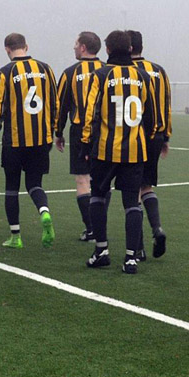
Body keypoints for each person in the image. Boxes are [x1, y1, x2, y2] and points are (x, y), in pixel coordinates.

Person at [81, 30, 156, 274]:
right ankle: (131, 258)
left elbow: (89, 113)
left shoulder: (100, 75)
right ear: (131, 49)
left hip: (105, 150)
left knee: (98, 196)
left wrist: (86, 143)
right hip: (135, 150)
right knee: (132, 203)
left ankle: (101, 251)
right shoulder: (144, 76)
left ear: (108, 50)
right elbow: (152, 117)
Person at [0, 33, 58, 249]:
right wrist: (52, 132)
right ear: (26, 46)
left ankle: (16, 237)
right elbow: (55, 102)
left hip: (15, 141)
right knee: (35, 184)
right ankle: (44, 212)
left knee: (12, 187)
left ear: (7, 49)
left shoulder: (5, 72)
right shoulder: (46, 69)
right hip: (41, 139)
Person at [54, 31, 104, 242]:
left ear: (83, 47)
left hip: (79, 131)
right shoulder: (108, 70)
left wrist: (58, 132)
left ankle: (91, 229)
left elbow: (60, 107)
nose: (73, 47)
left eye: (76, 43)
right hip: (104, 132)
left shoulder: (70, 73)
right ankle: (100, 226)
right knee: (101, 180)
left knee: (82, 180)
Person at [128, 30, 170, 260]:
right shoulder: (159, 70)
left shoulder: (125, 71)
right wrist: (166, 136)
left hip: (133, 136)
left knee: (132, 190)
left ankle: (138, 246)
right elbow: (166, 103)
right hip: (157, 136)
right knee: (146, 186)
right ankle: (157, 228)